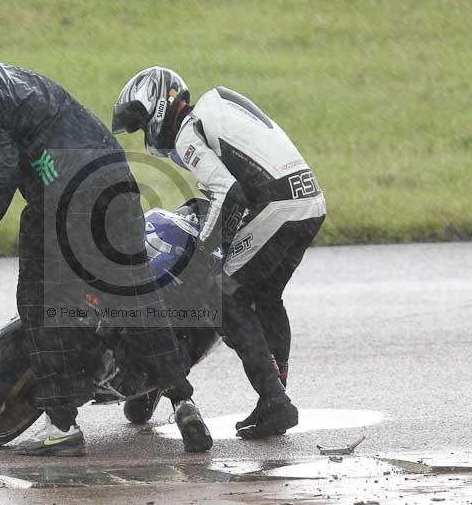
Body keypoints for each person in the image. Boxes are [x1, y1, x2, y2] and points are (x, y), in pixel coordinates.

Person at [0, 29, 212, 455]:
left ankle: (62, 426)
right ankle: (184, 402)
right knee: (136, 294)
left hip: (66, 202)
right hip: (116, 182)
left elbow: (1, 170)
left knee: (40, 309)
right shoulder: (18, 76)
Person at [112, 67, 326, 439]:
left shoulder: (187, 132)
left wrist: (203, 254)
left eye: (144, 124)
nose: (148, 134)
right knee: (267, 297)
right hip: (309, 202)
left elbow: (228, 193)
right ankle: (275, 399)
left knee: (223, 299)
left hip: (276, 207)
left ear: (160, 106)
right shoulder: (216, 109)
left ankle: (275, 400)